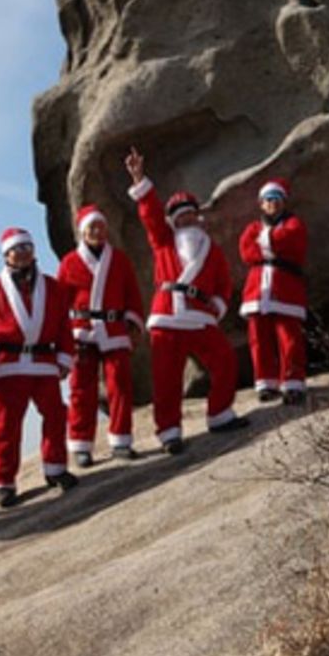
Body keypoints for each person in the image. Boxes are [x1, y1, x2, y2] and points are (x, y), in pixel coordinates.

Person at [123, 147, 247, 455]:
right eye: (181, 216)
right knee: (166, 378)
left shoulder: (212, 250)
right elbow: (151, 214)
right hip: (167, 316)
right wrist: (140, 179)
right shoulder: (163, 242)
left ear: (198, 217)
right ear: (174, 222)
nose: (187, 219)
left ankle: (219, 414)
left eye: (192, 214)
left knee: (225, 361)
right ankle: (169, 432)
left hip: (201, 317)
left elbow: (224, 283)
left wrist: (216, 307)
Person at [0, 230, 79, 507]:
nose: (22, 252)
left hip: (44, 364)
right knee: (6, 426)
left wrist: (65, 358)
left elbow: (65, 328)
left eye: (27, 247)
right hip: (9, 366)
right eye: (16, 248)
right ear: (6, 255)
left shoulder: (52, 287)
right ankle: (4, 481)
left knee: (55, 415)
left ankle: (55, 468)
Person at [57, 203, 145, 464]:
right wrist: (61, 336)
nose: (97, 231)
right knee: (82, 389)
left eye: (101, 226)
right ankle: (81, 445)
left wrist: (133, 322)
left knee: (120, 385)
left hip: (114, 328)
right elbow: (60, 302)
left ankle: (120, 440)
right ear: (83, 232)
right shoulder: (70, 263)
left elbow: (132, 293)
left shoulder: (118, 260)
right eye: (92, 227)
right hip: (82, 332)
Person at [238, 179, 310, 404]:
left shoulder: (295, 224)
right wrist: (273, 247)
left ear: (284, 203)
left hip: (285, 289)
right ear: (261, 204)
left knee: (289, 338)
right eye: (268, 200)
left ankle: (292, 383)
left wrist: (264, 244)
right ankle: (265, 383)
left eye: (277, 200)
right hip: (257, 291)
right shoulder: (252, 228)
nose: (272, 204)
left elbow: (293, 241)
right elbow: (246, 251)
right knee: (258, 339)